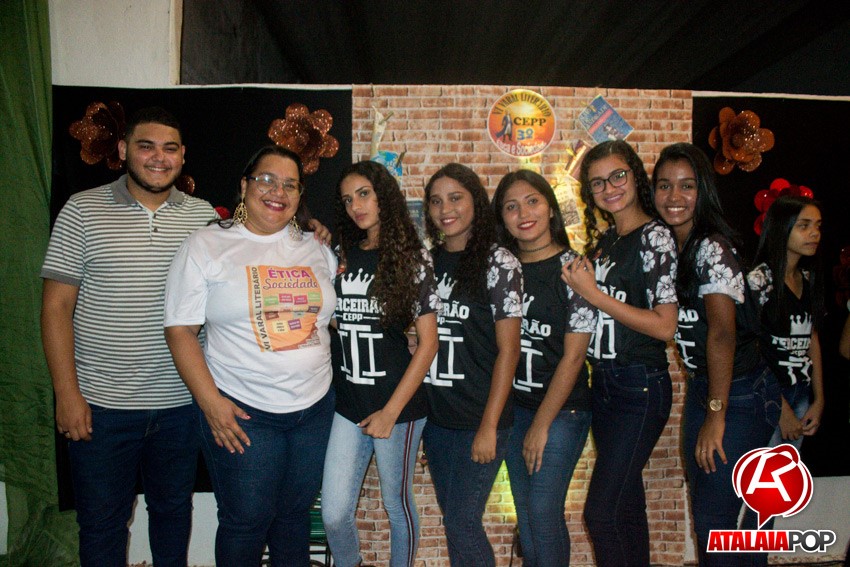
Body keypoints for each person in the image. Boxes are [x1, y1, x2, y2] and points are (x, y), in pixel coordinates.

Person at [40, 107, 216, 567]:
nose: (159, 157)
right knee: (102, 525)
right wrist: (66, 394)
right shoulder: (82, 210)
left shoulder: (202, 217)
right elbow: (56, 308)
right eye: (146, 146)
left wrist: (309, 231)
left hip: (180, 405)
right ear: (122, 150)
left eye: (170, 148)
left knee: (173, 515)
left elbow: (256, 246)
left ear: (182, 156)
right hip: (101, 407)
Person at [164, 146, 337, 566]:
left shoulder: (316, 247)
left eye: (290, 185)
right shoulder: (206, 245)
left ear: (300, 195)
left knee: (294, 517)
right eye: (266, 180)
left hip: (314, 409)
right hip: (244, 410)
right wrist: (211, 403)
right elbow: (180, 331)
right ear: (244, 186)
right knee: (246, 520)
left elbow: (330, 320)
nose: (278, 191)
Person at [651, 143, 780, 566]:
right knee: (719, 519)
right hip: (708, 389)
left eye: (686, 186)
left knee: (717, 521)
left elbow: (723, 334)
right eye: (664, 186)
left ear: (703, 190)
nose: (674, 196)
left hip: (737, 394)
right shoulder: (671, 248)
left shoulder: (711, 247)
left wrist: (716, 415)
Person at [561, 140, 678, 566]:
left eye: (617, 176)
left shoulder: (655, 237)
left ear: (635, 176)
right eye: (597, 183)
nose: (608, 188)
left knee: (602, 511)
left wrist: (593, 294)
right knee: (626, 506)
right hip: (606, 384)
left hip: (639, 385)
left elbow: (665, 325)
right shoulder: (607, 242)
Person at [322, 161, 439, 567]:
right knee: (333, 512)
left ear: (383, 196)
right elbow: (337, 316)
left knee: (396, 504)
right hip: (348, 403)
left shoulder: (412, 258)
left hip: (397, 406)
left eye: (364, 194)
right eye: (347, 200)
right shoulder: (341, 255)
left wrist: (391, 412)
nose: (356, 206)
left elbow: (429, 342)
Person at [421, 163, 522, 566]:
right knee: (455, 522)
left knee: (462, 522)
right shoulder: (427, 261)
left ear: (476, 202)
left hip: (479, 417)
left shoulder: (499, 263)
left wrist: (489, 427)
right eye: (436, 201)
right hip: (437, 419)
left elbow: (509, 351)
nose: (445, 209)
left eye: (455, 198)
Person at [493, 169, 595, 567]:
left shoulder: (575, 269)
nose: (523, 214)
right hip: (515, 409)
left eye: (532, 201)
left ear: (551, 209)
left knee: (542, 510)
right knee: (527, 514)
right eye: (511, 207)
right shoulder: (502, 270)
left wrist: (541, 425)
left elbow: (574, 356)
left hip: (563, 411)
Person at [747, 195, 825, 449]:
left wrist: (819, 399)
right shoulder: (760, 280)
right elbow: (747, 347)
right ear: (782, 228)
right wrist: (780, 407)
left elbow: (812, 337)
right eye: (804, 225)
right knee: (766, 469)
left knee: (789, 469)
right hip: (767, 392)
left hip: (800, 389)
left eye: (818, 225)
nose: (814, 233)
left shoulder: (808, 278)